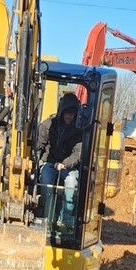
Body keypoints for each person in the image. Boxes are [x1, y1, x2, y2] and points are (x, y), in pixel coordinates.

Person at [37, 92, 82, 230]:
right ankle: (47, 218)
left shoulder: (78, 131)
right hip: (49, 163)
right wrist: (38, 162)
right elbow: (38, 146)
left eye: (72, 113)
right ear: (61, 111)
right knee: (46, 181)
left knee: (72, 181)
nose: (69, 116)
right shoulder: (47, 125)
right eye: (67, 112)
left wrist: (65, 164)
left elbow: (78, 153)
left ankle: (67, 220)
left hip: (67, 166)